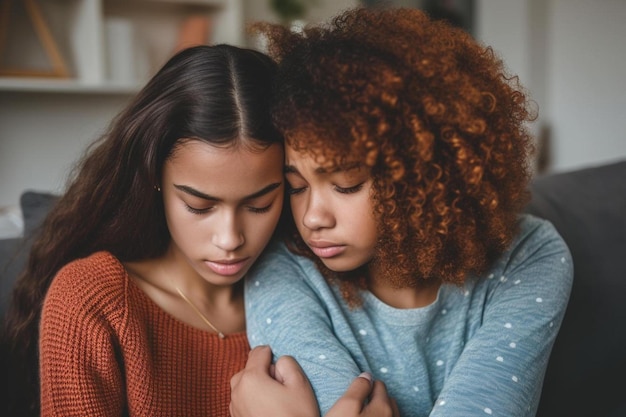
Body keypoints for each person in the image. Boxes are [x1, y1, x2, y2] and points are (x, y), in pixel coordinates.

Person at [0, 43, 397, 417]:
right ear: (155, 180)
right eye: (199, 206)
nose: (230, 239)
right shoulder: (92, 302)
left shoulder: (324, 295)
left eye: (260, 205)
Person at [232, 7, 574, 417]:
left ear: (425, 174)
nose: (312, 218)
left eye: (346, 185)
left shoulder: (531, 256)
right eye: (296, 187)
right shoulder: (281, 264)